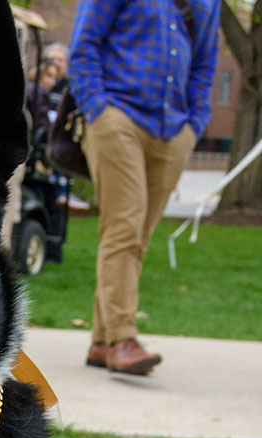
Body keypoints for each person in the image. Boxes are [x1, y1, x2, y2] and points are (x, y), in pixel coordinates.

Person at [68, 0, 219, 375]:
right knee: (125, 226)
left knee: (138, 236)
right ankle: (123, 338)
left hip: (174, 129)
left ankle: (102, 341)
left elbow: (204, 64)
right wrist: (99, 110)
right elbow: (83, 45)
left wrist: (195, 124)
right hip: (118, 117)